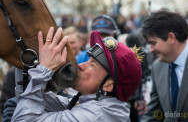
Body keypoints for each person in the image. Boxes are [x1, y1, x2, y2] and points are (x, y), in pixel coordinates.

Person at [11, 27, 142, 122]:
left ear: (108, 85)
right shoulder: (97, 105)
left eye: (92, 64)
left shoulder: (94, 116)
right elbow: (26, 98)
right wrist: (27, 55)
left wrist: (44, 69)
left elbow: (22, 118)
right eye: (88, 60)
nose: (80, 65)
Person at [141, 10, 188, 122]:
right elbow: (156, 114)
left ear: (171, 38)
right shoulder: (157, 68)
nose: (151, 50)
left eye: (153, 43)